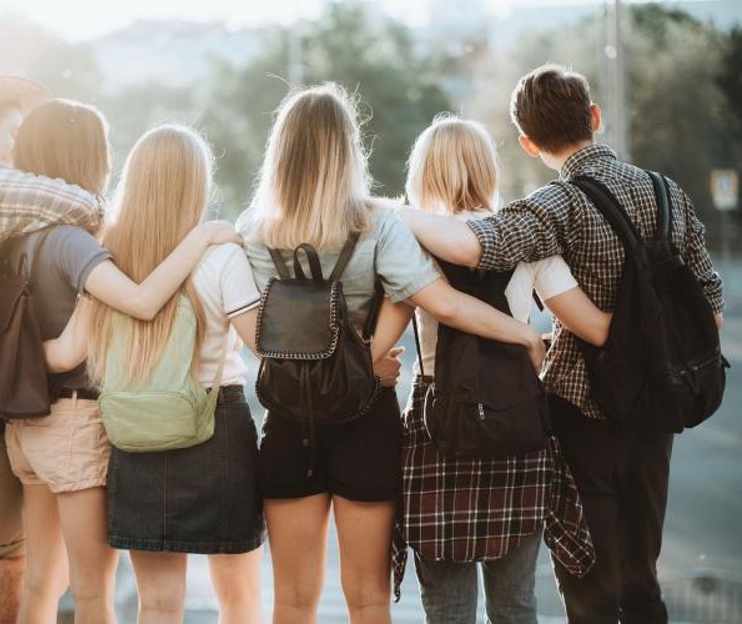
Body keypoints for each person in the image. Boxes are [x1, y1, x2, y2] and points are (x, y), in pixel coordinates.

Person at [0, 62, 237, 624]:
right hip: (73, 427)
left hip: (24, 430)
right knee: (92, 592)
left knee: (40, 582)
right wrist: (203, 235)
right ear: (86, 158)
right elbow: (139, 302)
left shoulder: (13, 237)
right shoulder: (71, 241)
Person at [396, 65, 724, 624]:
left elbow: (483, 245)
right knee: (641, 572)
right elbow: (711, 309)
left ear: (527, 142)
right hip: (659, 407)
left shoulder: (556, 206)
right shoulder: (668, 192)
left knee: (586, 581)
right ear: (595, 117)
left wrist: (390, 213)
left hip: (580, 405)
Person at [235, 82, 547, 624]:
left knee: (289, 600)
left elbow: (261, 333)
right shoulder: (380, 223)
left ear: (280, 150)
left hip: (290, 418)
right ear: (349, 150)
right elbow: (443, 304)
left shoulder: (255, 228)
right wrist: (522, 334)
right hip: (365, 415)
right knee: (368, 599)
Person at [43, 125, 266, 624]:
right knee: (240, 603)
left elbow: (70, 351)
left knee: (159, 606)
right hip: (216, 430)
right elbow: (264, 348)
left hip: (134, 434)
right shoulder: (222, 256)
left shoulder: (106, 260)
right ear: (197, 186)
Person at [394, 114, 606, 624]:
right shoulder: (527, 238)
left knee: (446, 607)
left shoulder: (408, 240)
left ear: (424, 173)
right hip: (517, 423)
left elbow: (380, 334)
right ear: (487, 168)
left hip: (436, 426)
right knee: (515, 606)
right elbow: (590, 327)